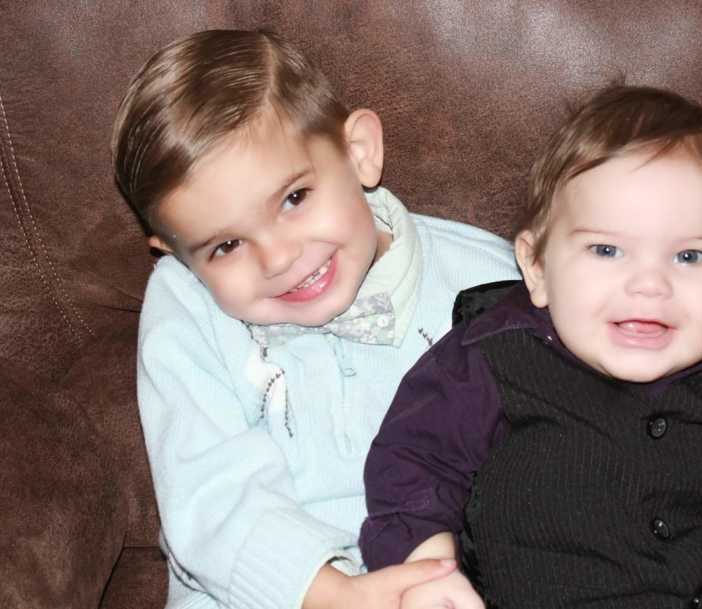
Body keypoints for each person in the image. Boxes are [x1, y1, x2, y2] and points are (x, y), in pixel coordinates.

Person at [361, 85, 702, 609]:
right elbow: (414, 464)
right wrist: (430, 582)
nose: (649, 284)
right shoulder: (487, 358)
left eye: (688, 257)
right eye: (607, 249)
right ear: (537, 267)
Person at [111, 29, 519, 609]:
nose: (278, 258)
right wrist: (332, 594)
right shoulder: (187, 307)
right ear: (175, 254)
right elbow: (209, 492)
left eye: (294, 198)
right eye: (225, 245)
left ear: (359, 152)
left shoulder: (488, 283)